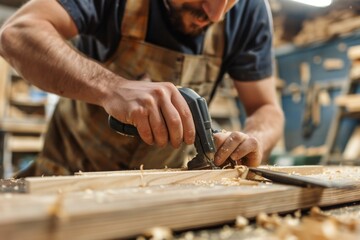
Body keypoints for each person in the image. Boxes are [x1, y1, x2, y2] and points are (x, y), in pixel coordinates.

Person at [0, 0, 284, 176]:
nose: (216, 14)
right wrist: (111, 88)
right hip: (67, 178)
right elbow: (17, 33)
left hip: (157, 187)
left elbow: (266, 108)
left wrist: (252, 138)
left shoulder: (251, 10)